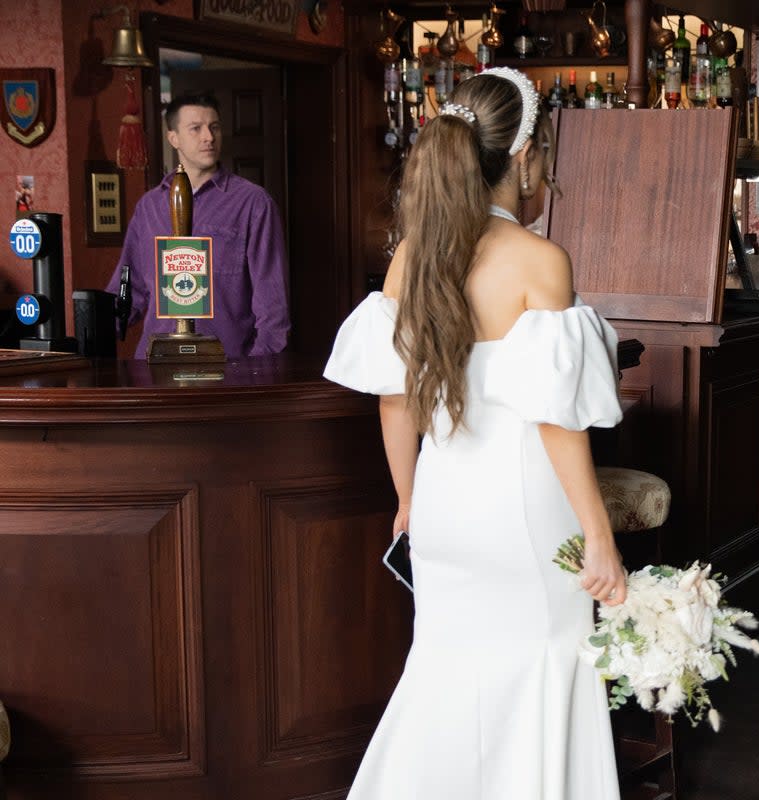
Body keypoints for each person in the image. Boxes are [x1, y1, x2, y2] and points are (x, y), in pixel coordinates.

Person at [323, 67, 626, 798]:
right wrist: (597, 534)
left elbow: (394, 403)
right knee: (544, 668)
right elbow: (555, 419)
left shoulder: (412, 259)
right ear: (523, 158)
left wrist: (408, 501)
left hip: (445, 507)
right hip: (525, 510)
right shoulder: (539, 262)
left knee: (445, 674)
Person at [106, 93, 289, 358]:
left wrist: (255, 372)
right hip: (156, 368)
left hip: (228, 369)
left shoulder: (253, 203)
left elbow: (273, 304)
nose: (209, 137)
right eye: (196, 128)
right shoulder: (149, 206)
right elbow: (128, 290)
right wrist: (88, 341)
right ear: (173, 138)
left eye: (214, 127)